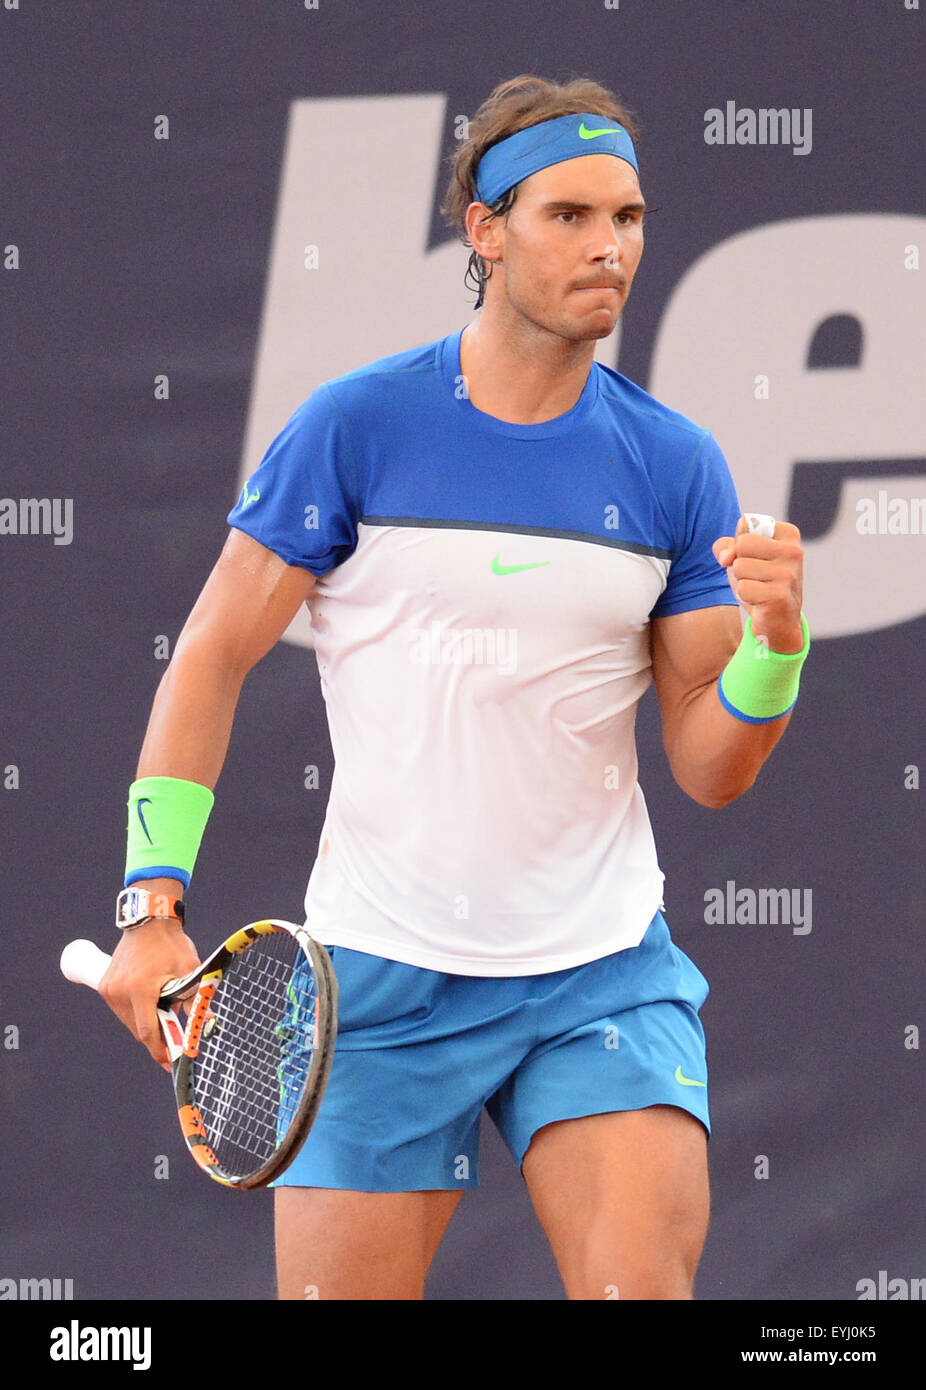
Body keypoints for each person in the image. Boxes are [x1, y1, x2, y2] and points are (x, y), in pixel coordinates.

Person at [100, 73, 810, 1300]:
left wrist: (777, 642)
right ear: (484, 228)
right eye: (570, 215)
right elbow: (213, 646)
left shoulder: (673, 466)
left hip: (598, 971)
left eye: (628, 219)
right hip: (374, 978)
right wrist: (149, 900)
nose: (609, 248)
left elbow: (710, 766)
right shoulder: (355, 428)